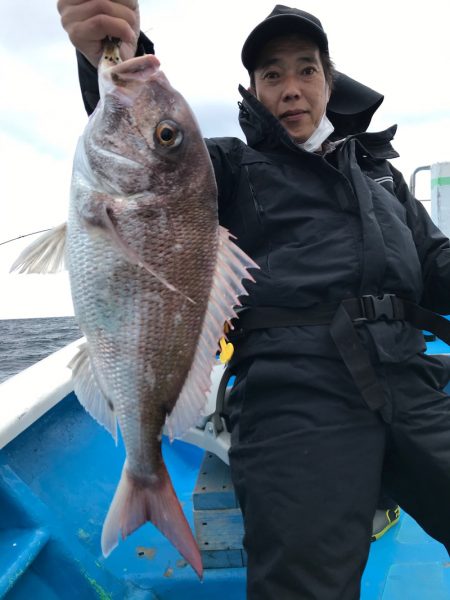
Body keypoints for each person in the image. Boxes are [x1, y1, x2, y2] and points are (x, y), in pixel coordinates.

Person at [57, 2, 450, 598]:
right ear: (253, 89)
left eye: (305, 70)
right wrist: (115, 56)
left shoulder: (383, 180)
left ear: (328, 81)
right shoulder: (229, 169)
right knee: (303, 583)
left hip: (411, 379)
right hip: (294, 393)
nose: (291, 88)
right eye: (272, 74)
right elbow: (152, 166)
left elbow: (436, 266)